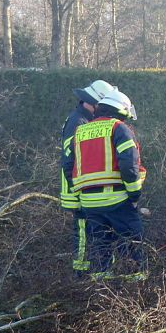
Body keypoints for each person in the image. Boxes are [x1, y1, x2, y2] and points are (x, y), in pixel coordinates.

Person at [64, 89, 147, 279]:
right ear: (121, 111)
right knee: (132, 242)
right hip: (117, 199)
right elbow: (129, 165)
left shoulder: (81, 131)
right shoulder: (119, 128)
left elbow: (68, 165)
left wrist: (82, 191)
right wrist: (134, 196)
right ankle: (135, 286)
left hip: (89, 204)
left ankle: (101, 290)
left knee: (100, 248)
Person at [60, 79, 116, 273]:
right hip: (78, 190)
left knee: (89, 231)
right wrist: (78, 188)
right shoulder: (78, 122)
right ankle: (80, 274)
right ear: (94, 102)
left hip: (83, 187)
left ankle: (90, 269)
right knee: (83, 232)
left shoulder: (81, 119)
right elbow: (69, 161)